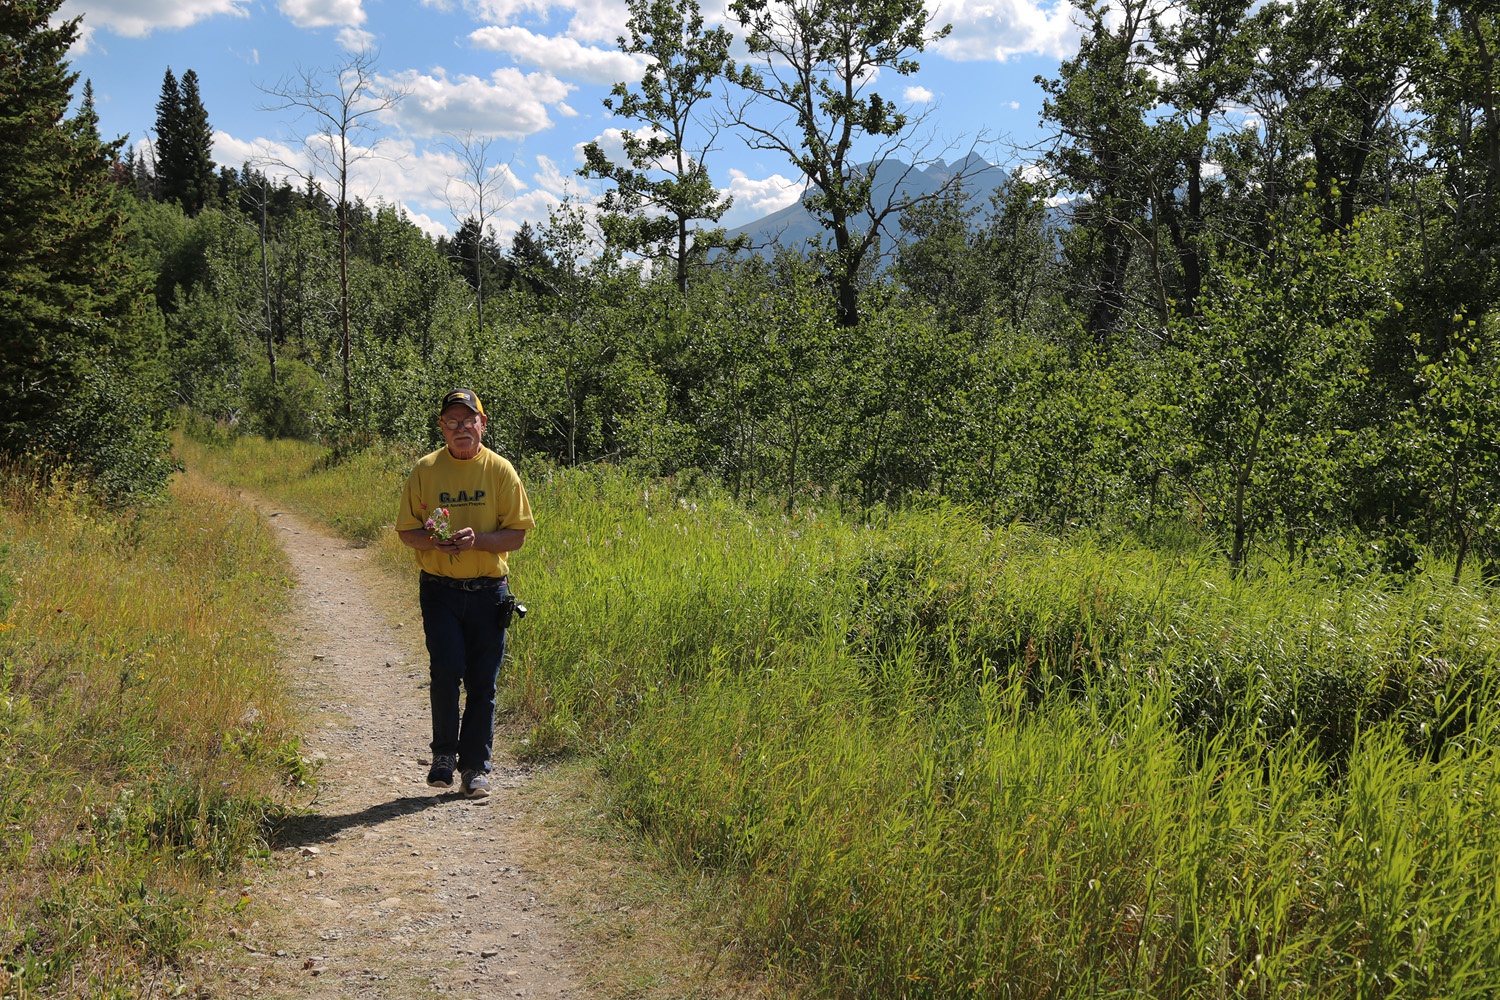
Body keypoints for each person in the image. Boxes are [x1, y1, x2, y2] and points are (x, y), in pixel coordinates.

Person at [396, 388, 535, 798]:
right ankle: (443, 756)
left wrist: (477, 541)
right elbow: (406, 532)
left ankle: (475, 767)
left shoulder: (500, 471)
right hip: (439, 589)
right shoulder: (425, 470)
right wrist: (431, 541)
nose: (461, 428)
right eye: (452, 422)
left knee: (482, 683)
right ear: (442, 426)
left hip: (489, 592)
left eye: (468, 420)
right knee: (446, 671)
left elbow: (518, 535)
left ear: (482, 424)